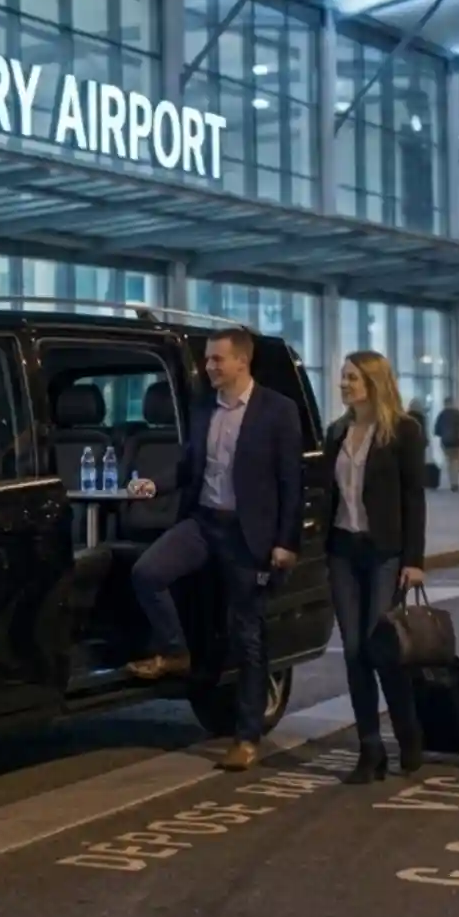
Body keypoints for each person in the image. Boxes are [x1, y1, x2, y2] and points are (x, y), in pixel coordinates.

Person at [123, 327, 304, 773]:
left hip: (249, 536)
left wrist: (286, 542)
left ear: (243, 361)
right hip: (204, 523)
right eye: (207, 360)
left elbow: (291, 482)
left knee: (247, 637)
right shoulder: (205, 409)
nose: (208, 367)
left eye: (216, 360)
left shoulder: (277, 411)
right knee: (147, 573)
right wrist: (154, 484)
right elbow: (190, 467)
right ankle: (176, 649)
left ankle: (246, 737)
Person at [323, 351, 427, 783]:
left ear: (373, 381)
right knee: (352, 651)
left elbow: (413, 498)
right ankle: (370, 748)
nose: (344, 384)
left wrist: (414, 561)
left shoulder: (403, 431)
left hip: (385, 551)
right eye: (343, 377)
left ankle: (408, 732)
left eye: (352, 378)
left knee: (379, 648)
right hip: (343, 550)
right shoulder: (337, 431)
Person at [432, 398, 459, 491]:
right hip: (457, 441)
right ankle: (456, 482)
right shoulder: (458, 414)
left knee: (449, 461)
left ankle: (452, 482)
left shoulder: (442, 415)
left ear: (445, 404)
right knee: (456, 461)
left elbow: (437, 429)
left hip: (446, 441)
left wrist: (442, 434)